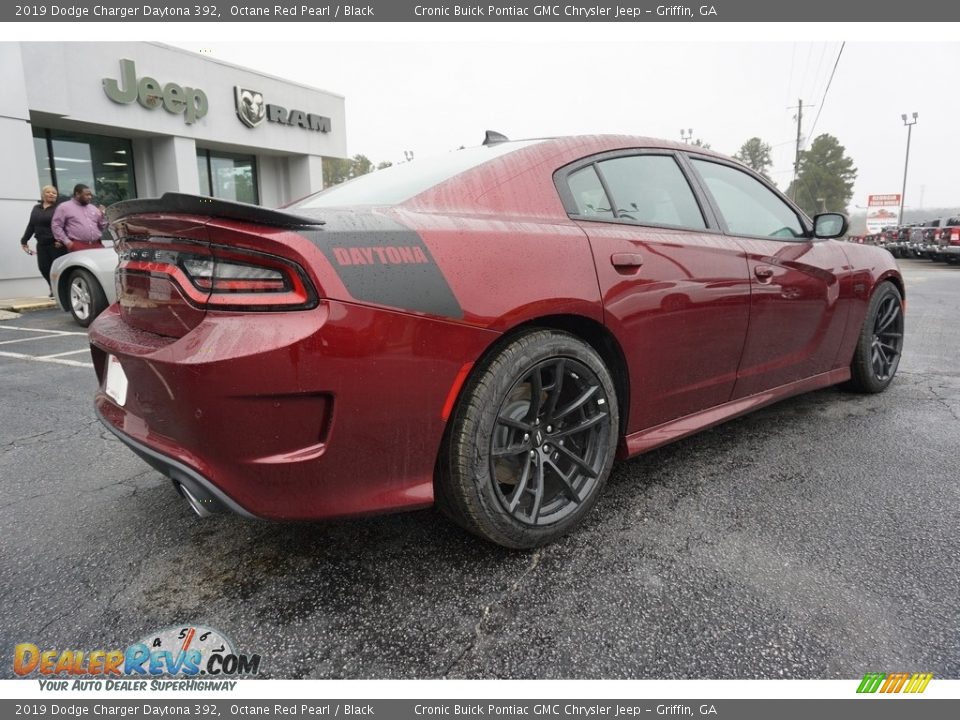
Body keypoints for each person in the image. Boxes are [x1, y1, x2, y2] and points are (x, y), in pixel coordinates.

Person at [20, 185, 67, 296]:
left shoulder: (59, 208)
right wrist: (24, 240)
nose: (51, 194)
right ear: (43, 194)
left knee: (57, 269)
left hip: (56, 244)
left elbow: (65, 225)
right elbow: (32, 225)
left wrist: (61, 240)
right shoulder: (36, 208)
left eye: (54, 193)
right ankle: (53, 287)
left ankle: (61, 290)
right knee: (44, 268)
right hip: (41, 244)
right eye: (48, 192)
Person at [51, 183, 107, 252]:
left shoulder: (93, 208)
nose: (90, 197)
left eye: (90, 195)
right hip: (78, 246)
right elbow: (56, 226)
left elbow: (102, 226)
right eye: (87, 195)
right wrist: (67, 242)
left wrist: (103, 216)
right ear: (77, 194)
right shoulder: (64, 207)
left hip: (97, 245)